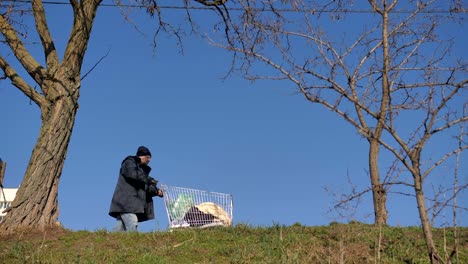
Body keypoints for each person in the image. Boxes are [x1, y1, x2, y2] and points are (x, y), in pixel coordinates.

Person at [109, 146, 163, 231]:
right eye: (148, 157)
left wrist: (156, 191)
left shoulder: (141, 171)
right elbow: (135, 175)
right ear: (141, 156)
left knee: (119, 230)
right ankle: (134, 243)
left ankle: (111, 243)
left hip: (128, 204)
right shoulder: (129, 162)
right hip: (126, 203)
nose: (149, 160)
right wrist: (150, 180)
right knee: (132, 223)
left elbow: (144, 186)